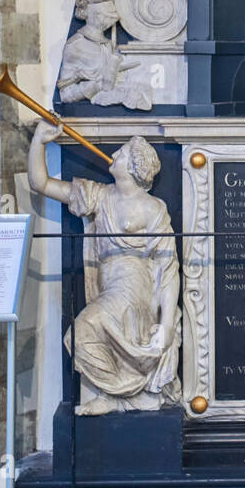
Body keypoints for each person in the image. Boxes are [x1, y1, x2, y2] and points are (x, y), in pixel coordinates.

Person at [28, 122, 181, 415]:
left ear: (136, 167)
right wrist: (39, 142)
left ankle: (118, 392)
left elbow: (167, 268)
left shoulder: (153, 208)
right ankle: (116, 393)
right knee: (81, 337)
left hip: (133, 286)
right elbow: (41, 184)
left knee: (80, 331)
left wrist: (166, 323)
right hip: (107, 285)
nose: (113, 156)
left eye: (121, 154)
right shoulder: (98, 196)